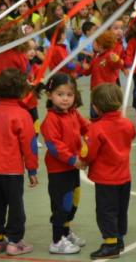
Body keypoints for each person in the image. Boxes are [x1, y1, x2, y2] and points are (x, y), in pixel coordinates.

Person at [0, 69, 39, 256]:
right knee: (15, 206)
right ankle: (14, 242)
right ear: (22, 92)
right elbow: (30, 145)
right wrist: (32, 169)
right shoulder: (22, 115)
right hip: (11, 170)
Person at [82, 83, 136, 259]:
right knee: (121, 209)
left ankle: (111, 243)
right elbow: (132, 134)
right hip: (124, 177)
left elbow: (89, 153)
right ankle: (119, 238)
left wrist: (82, 159)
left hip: (106, 179)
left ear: (96, 108)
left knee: (106, 211)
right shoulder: (127, 123)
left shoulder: (96, 128)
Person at [39, 73, 90, 255]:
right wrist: (73, 159)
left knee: (73, 202)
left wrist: (97, 134)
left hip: (72, 169)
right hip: (59, 170)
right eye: (60, 94)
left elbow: (87, 128)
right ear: (50, 95)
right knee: (62, 204)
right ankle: (57, 240)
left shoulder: (73, 113)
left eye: (69, 94)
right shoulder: (51, 120)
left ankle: (66, 232)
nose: (65, 99)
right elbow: (54, 147)